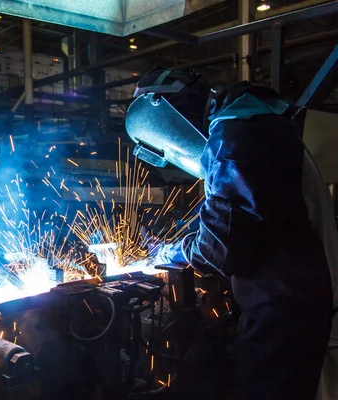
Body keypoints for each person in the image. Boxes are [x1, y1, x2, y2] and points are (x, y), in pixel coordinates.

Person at [127, 67, 338, 400]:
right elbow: (238, 216)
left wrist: (173, 252)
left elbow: (219, 251)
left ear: (165, 118)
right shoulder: (258, 123)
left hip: (284, 309)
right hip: (299, 297)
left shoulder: (234, 139)